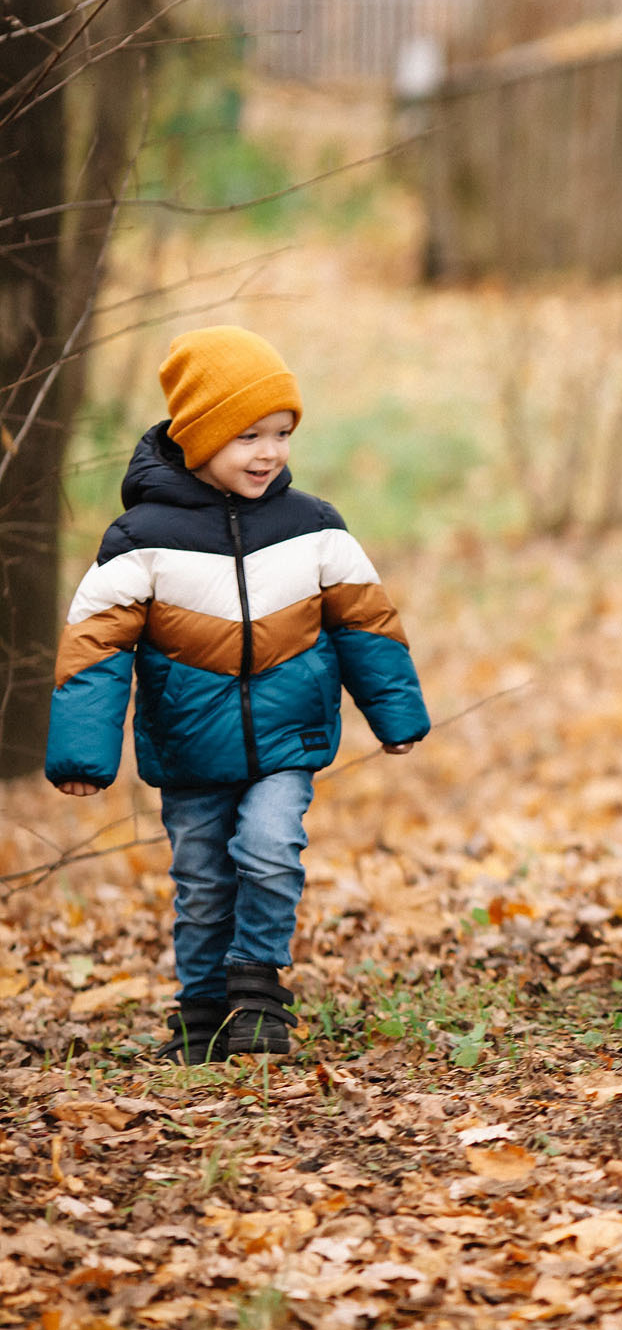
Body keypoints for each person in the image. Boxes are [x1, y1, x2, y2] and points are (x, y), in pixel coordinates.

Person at [45, 327, 429, 1062]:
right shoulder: (140, 540)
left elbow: (367, 624)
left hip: (287, 741)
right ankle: (198, 1013)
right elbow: (95, 646)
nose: (269, 452)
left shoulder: (313, 529)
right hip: (189, 749)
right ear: (197, 438)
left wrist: (396, 715)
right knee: (201, 881)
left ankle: (256, 992)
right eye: (247, 434)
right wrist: (82, 755)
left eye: (282, 433)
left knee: (269, 848)